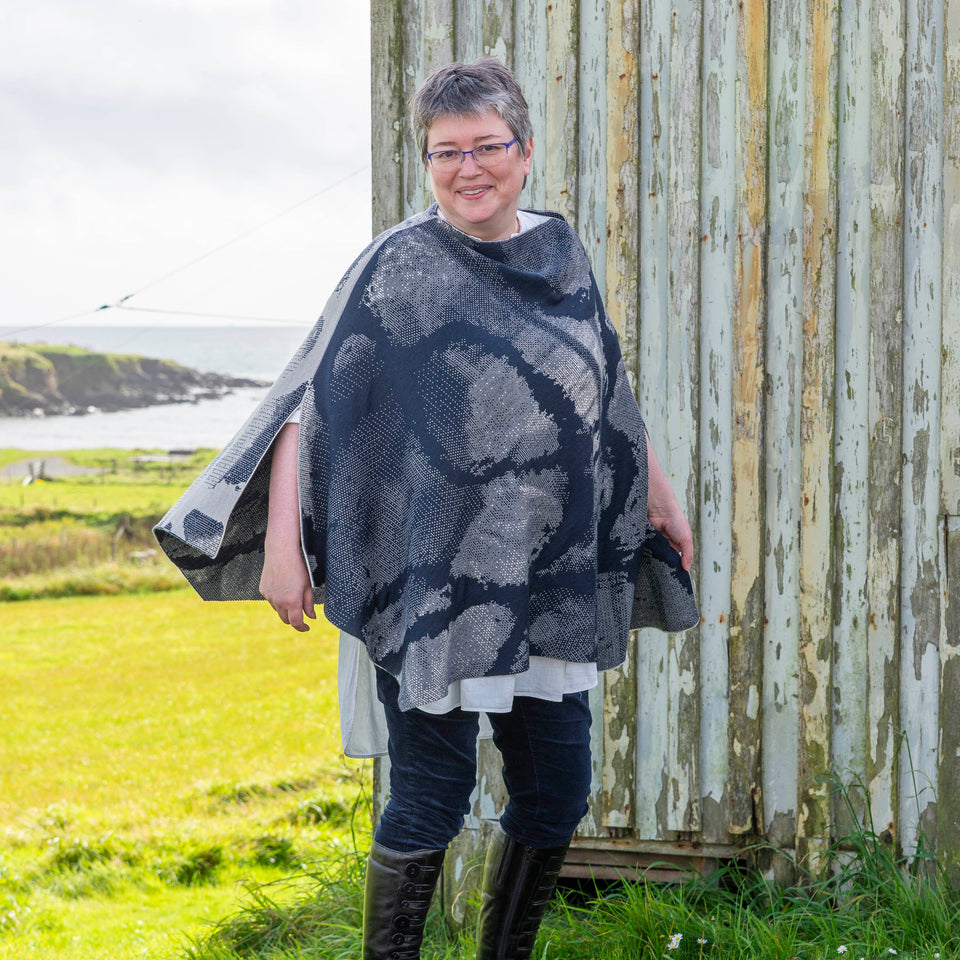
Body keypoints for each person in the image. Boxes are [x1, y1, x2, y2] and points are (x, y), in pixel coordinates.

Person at [155, 58, 698, 960]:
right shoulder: (399, 266)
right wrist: (283, 544)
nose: (467, 168)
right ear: (428, 161)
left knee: (557, 791)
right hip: (433, 579)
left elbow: (605, 386)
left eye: (487, 146)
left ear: (524, 152)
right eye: (447, 152)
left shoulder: (561, 251)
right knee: (432, 792)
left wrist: (659, 498)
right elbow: (306, 404)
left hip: (546, 570)